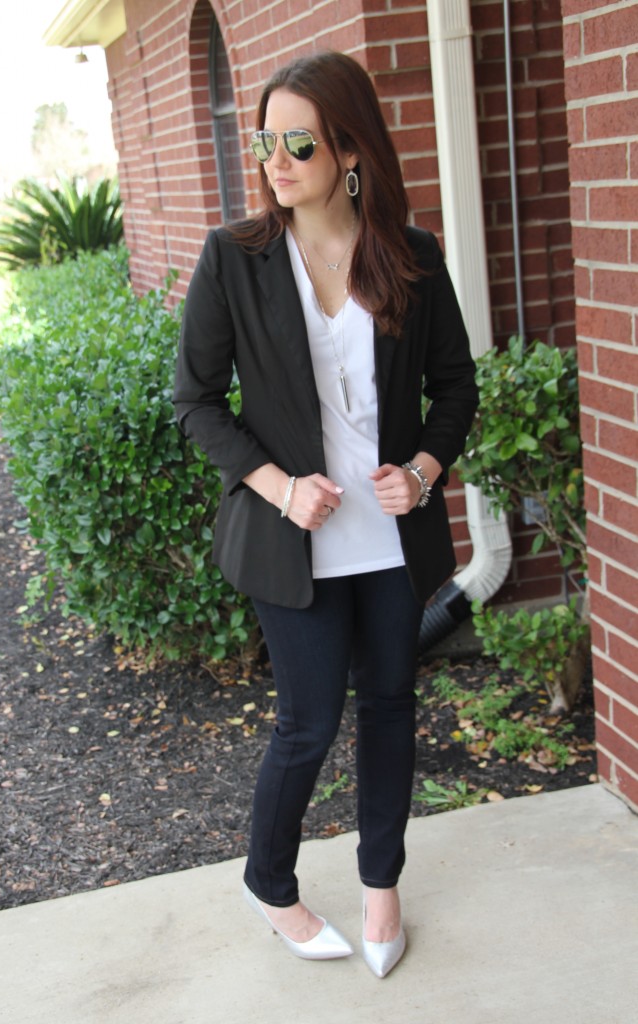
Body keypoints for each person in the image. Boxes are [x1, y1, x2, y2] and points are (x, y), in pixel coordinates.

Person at [173, 50, 478, 978]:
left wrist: (423, 470)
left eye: (296, 140)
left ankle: (381, 888)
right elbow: (196, 401)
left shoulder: (412, 255)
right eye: (264, 138)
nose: (274, 158)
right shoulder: (237, 257)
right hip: (291, 539)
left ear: (350, 148)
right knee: (307, 723)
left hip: (389, 538)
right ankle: (270, 884)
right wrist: (279, 486)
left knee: (391, 707)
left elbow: (454, 388)